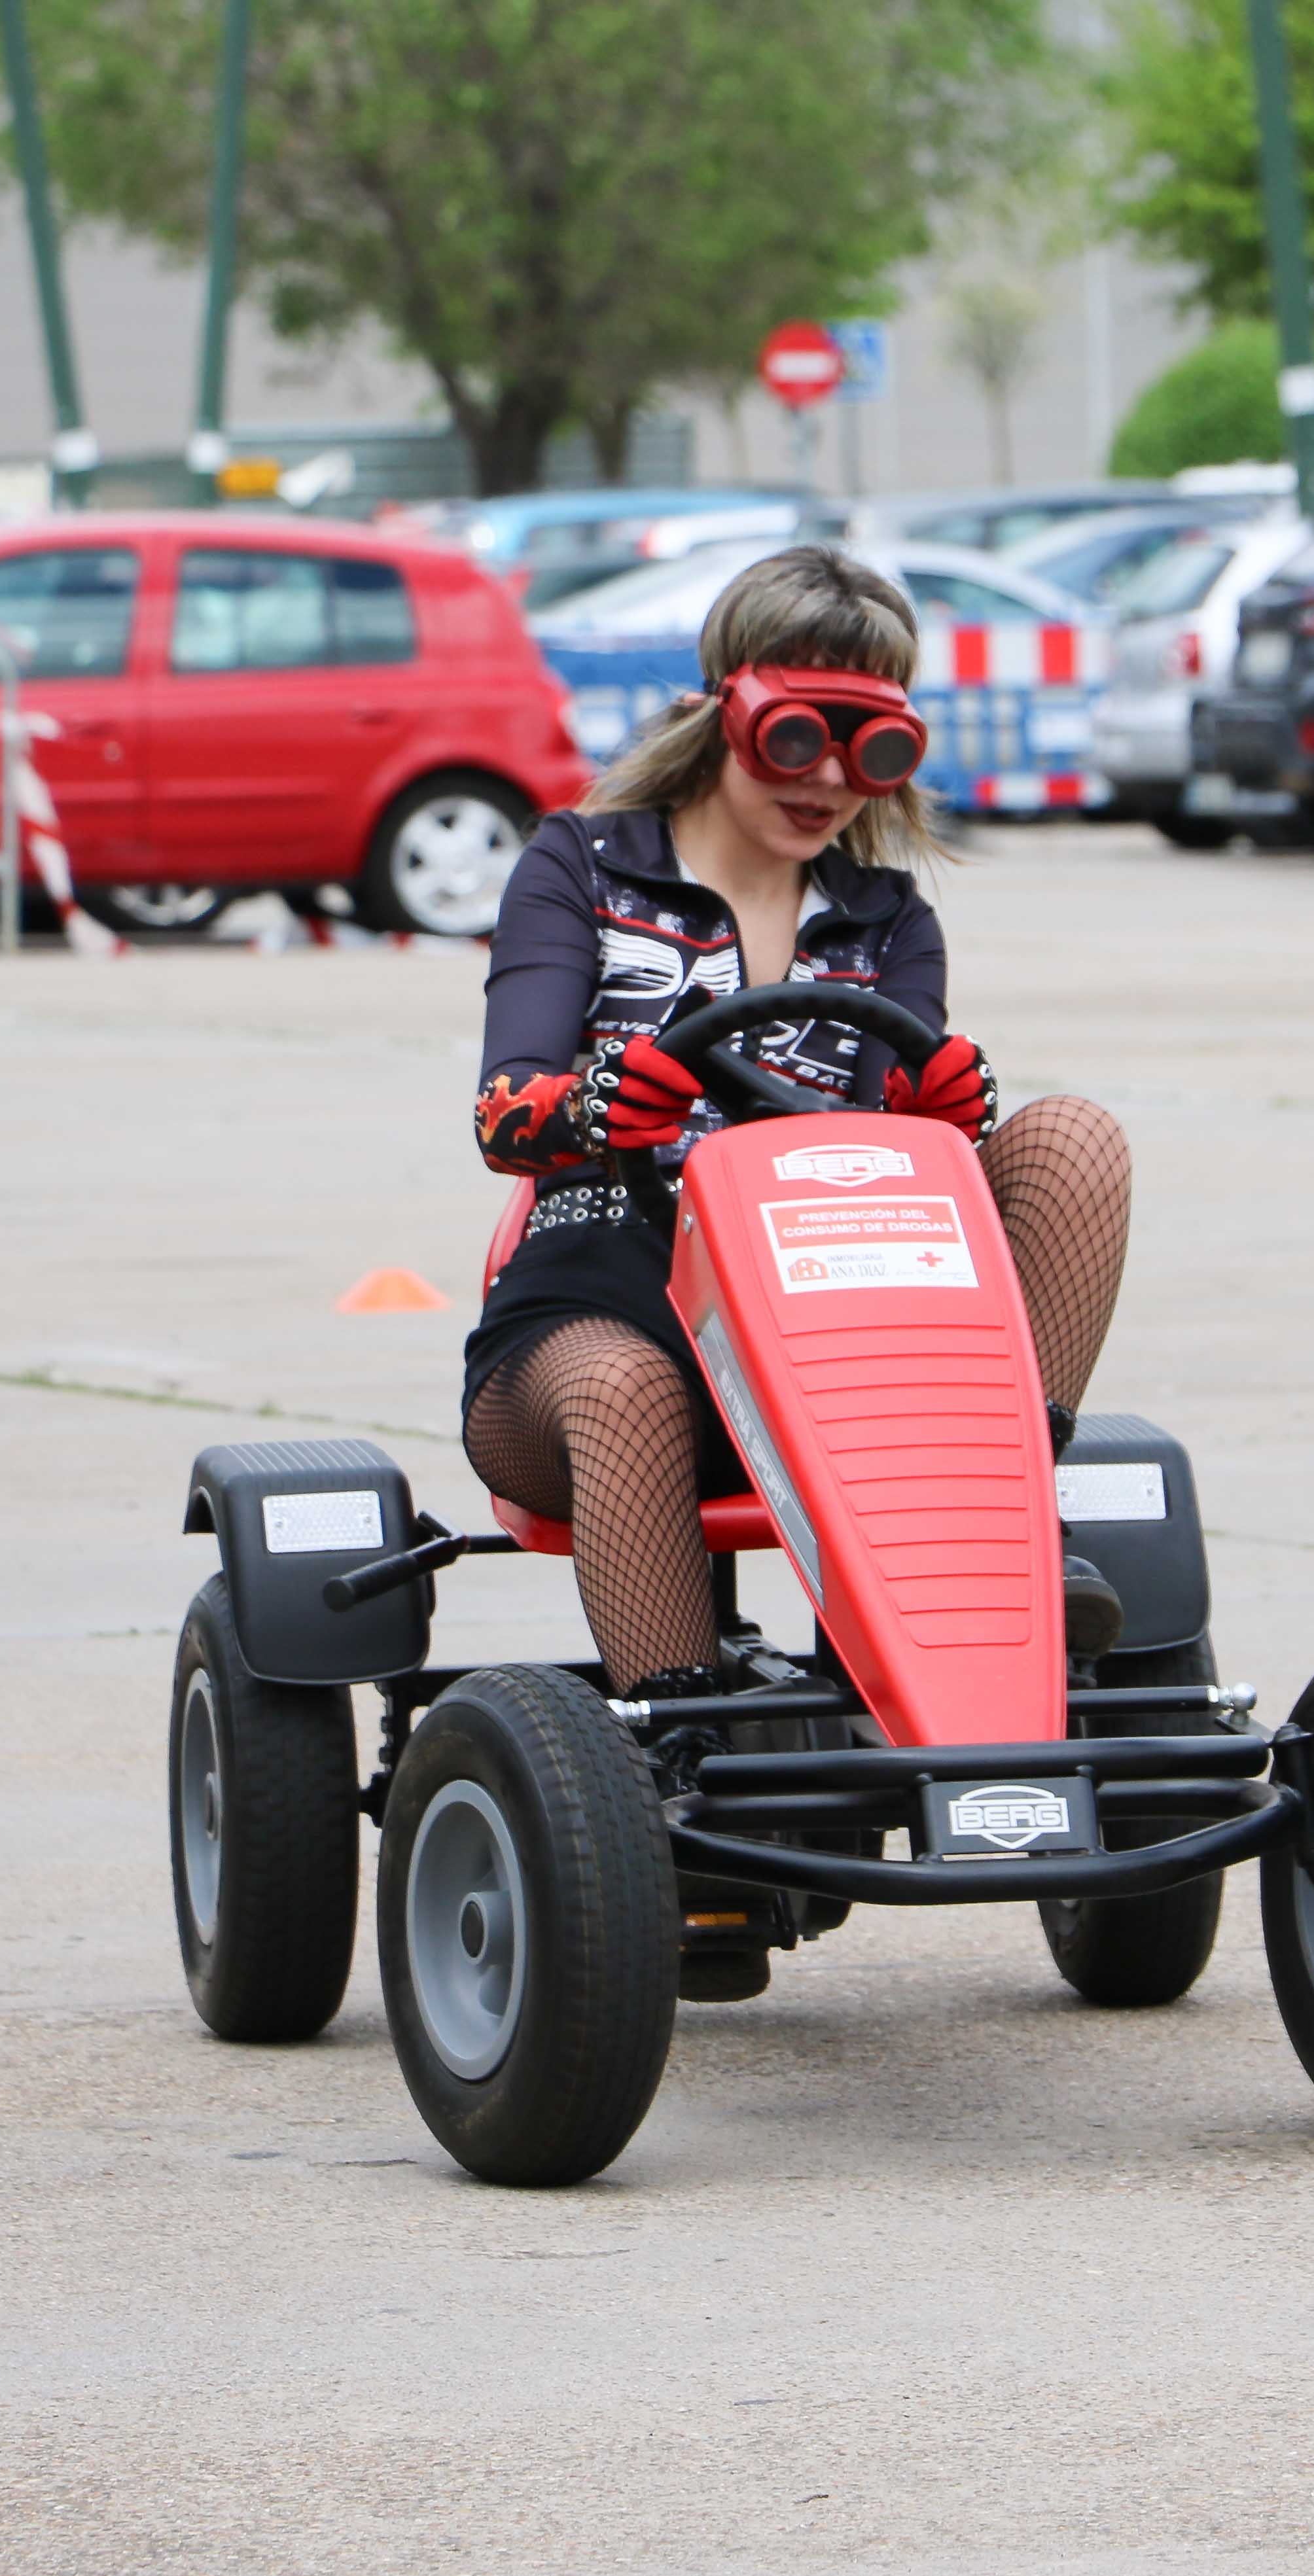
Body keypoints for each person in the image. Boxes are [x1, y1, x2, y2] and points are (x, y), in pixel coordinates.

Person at [461, 545, 1132, 1715]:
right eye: (796, 735)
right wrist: (600, 1103)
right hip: (593, 1321)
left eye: (866, 744)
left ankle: (1006, 1509)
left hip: (825, 1357)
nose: (828, 777)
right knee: (626, 1388)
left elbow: (907, 1165)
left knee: (1074, 1134)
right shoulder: (580, 867)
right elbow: (504, 1109)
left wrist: (941, 1118)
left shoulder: (885, 919)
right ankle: (680, 1736)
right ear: (728, 715)